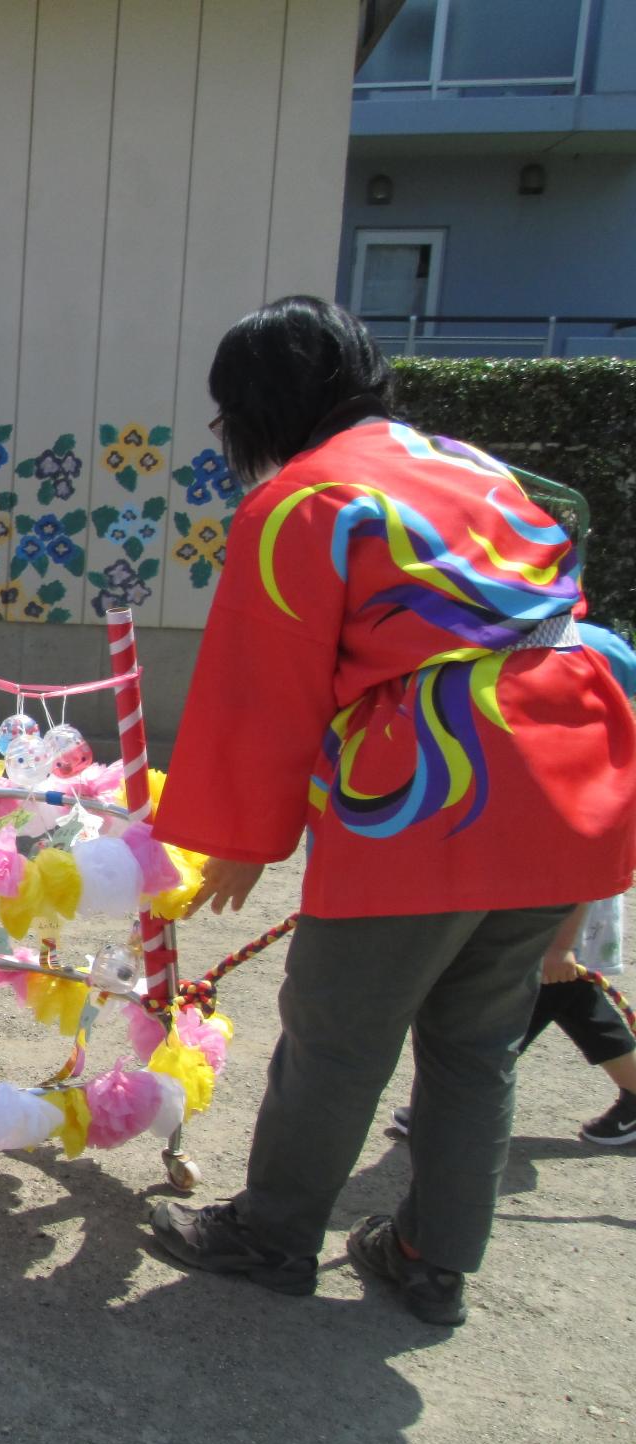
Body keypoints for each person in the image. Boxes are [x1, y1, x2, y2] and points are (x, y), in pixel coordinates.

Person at [146, 295, 636, 1327]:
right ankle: (428, 1258)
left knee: (335, 1034)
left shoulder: (304, 500)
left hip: (431, 791)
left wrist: (237, 841)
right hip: (561, 780)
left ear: (256, 405)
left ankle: (272, 1234)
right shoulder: (467, 464)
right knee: (474, 1044)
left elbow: (261, 684)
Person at [386, 621, 636, 1149]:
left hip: (565, 903)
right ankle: (449, 1096)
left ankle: (450, 1098)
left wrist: (562, 943)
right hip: (539, 894)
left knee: (522, 998)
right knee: (542, 995)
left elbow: (579, 863)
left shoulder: (583, 768)